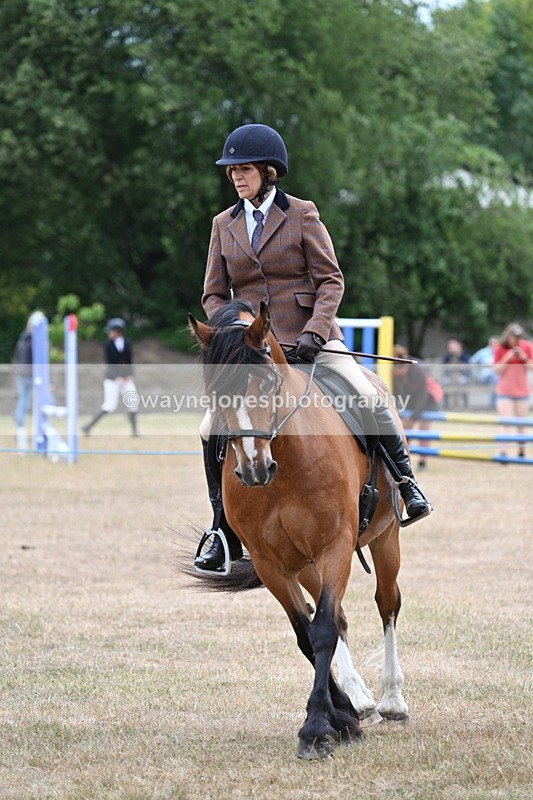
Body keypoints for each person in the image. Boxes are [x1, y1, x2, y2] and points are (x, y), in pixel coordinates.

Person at [195, 123, 432, 572]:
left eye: (245, 169)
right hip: (253, 349)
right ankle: (221, 529)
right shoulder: (223, 224)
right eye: (232, 171)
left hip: (311, 337)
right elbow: (213, 294)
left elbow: (330, 280)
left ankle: (406, 482)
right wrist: (235, 334)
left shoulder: (302, 214)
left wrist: (315, 332)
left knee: (364, 393)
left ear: (269, 171)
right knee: (211, 426)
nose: (236, 177)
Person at [82, 317, 139, 436]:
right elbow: (109, 364)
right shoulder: (108, 345)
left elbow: (129, 360)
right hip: (112, 379)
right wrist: (117, 377)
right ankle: (88, 427)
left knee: (133, 403)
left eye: (111, 331)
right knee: (109, 406)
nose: (109, 333)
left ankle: (134, 431)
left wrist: (130, 374)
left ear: (118, 331)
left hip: (126, 378)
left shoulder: (127, 343)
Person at [392, 344, 443, 470]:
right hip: (413, 398)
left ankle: (422, 461)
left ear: (405, 367)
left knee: (424, 429)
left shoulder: (417, 369)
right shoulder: (395, 372)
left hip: (430, 398)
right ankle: (404, 460)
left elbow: (422, 395)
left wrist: (413, 417)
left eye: (398, 370)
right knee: (405, 429)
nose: (396, 373)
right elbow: (396, 393)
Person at [492, 322, 533, 459]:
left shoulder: (526, 346)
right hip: (505, 392)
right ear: (508, 337)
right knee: (506, 423)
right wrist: (507, 357)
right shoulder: (500, 348)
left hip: (522, 391)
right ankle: (503, 452)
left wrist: (523, 357)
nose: (516, 341)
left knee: (522, 424)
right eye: (514, 338)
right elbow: (496, 369)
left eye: (518, 338)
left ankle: (521, 452)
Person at [12, 310, 46, 450]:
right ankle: (28, 430)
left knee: (23, 402)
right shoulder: (34, 341)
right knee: (40, 401)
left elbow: (16, 357)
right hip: (31, 376)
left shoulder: (23, 337)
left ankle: (20, 428)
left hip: (21, 374)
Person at [442, 336, 471, 409]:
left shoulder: (465, 356)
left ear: (459, 345)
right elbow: (444, 370)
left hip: (462, 376)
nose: (451, 349)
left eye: (453, 346)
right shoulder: (447, 357)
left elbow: (468, 370)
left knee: (463, 381)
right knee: (445, 381)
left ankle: (465, 404)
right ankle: (446, 404)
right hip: (450, 376)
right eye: (449, 347)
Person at [470, 335, 499, 407]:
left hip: (497, 378)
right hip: (483, 378)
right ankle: (492, 405)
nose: (494, 345)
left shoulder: (500, 352)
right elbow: (472, 361)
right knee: (493, 376)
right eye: (492, 343)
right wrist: (476, 375)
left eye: (496, 343)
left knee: (496, 379)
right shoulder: (483, 352)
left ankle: (495, 404)